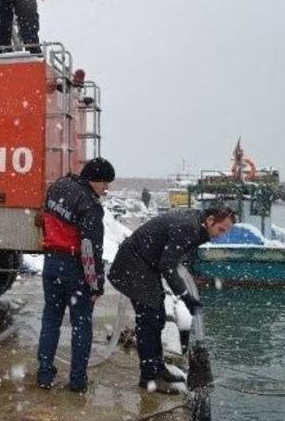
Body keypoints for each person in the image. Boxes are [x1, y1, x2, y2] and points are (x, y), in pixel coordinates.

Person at [108, 204, 235, 394]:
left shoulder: (197, 224)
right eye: (221, 229)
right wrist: (185, 296)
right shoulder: (189, 227)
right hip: (134, 264)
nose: (221, 235)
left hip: (145, 263)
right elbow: (167, 265)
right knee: (149, 320)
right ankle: (149, 378)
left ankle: (158, 369)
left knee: (158, 317)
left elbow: (174, 256)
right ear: (210, 221)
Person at [36, 157, 115, 393]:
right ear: (94, 179)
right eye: (105, 183)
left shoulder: (58, 186)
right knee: (81, 325)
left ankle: (44, 375)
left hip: (51, 264)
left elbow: (42, 218)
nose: (106, 189)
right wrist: (96, 284)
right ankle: (78, 380)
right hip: (75, 268)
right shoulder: (89, 204)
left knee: (51, 320)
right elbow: (90, 249)